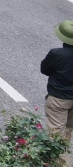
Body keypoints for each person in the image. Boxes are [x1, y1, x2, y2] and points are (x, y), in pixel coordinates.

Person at [42, 20, 73, 167]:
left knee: (56, 137)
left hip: (58, 100)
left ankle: (62, 164)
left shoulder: (56, 54)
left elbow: (45, 70)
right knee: (67, 131)